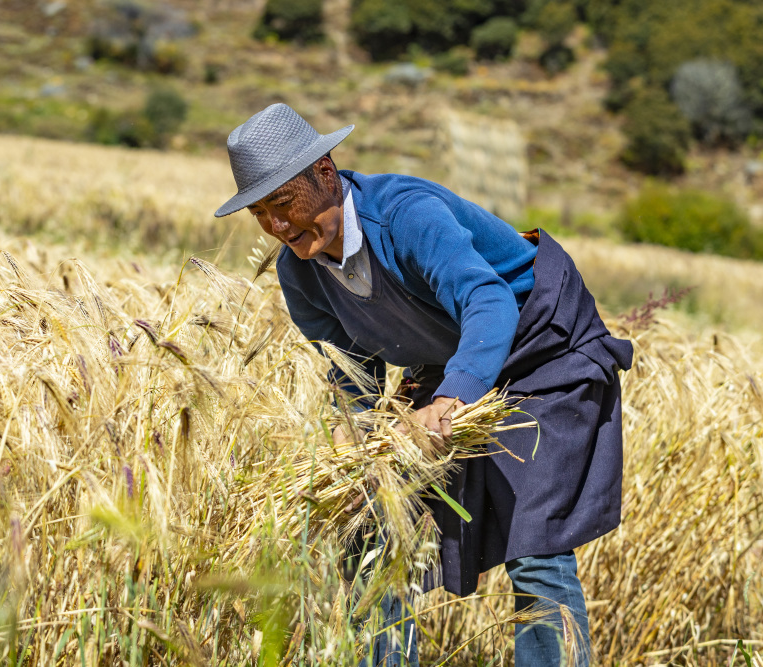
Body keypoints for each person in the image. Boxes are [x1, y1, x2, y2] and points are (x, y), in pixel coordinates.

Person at [214, 103, 633, 666]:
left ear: (325, 173)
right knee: (371, 522)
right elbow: (351, 369)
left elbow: (486, 299)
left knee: (536, 542)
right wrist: (354, 438)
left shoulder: (407, 215)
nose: (278, 227)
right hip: (445, 364)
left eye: (283, 204)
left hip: (542, 350)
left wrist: (452, 399)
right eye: (261, 214)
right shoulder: (299, 271)